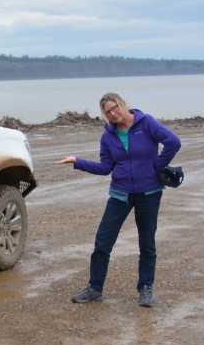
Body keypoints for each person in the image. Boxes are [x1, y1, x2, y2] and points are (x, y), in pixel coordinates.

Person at [53, 93, 181, 307]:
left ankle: (145, 288)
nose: (112, 114)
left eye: (114, 108)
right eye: (107, 112)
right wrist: (77, 161)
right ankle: (95, 288)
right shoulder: (108, 136)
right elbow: (105, 168)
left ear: (122, 104)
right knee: (103, 241)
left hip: (149, 193)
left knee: (147, 243)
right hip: (120, 193)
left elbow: (173, 142)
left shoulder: (145, 122)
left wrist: (156, 167)